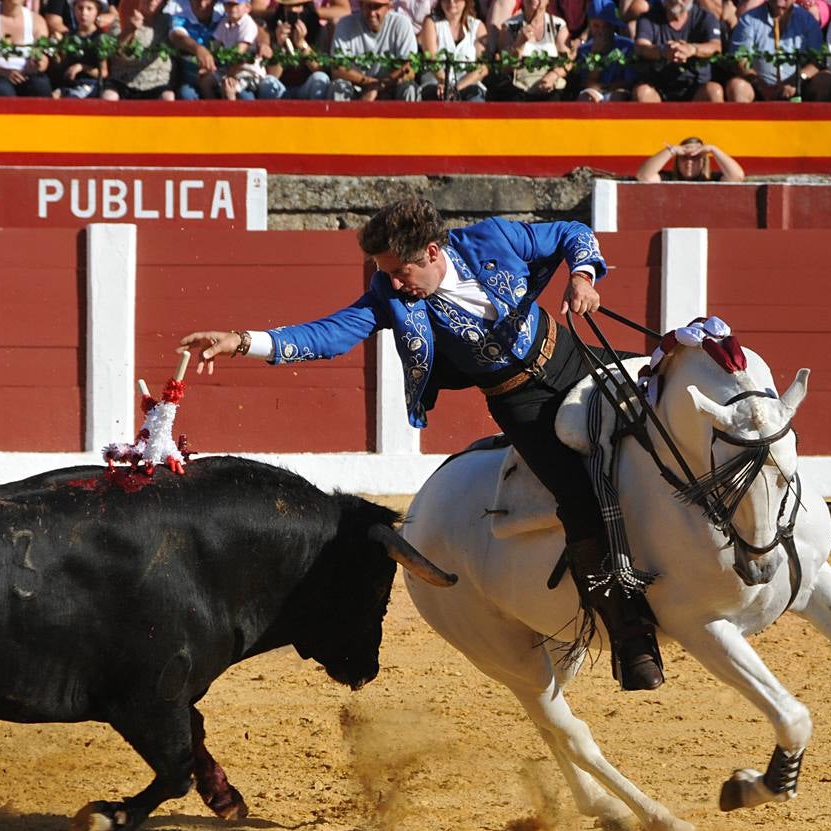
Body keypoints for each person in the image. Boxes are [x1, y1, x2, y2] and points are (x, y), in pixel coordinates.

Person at [176, 197, 667, 692]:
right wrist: (242, 341)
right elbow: (329, 334)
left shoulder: (492, 238)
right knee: (577, 499)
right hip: (522, 405)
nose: (391, 282)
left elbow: (570, 232)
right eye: (385, 272)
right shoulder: (392, 298)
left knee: (671, 404)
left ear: (433, 252)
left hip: (571, 355)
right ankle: (630, 637)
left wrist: (582, 276)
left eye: (398, 270)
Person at [725, 0, 831, 101]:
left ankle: (817, 120)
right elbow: (739, 58)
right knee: (737, 86)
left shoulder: (808, 20)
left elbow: (817, 59)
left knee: (825, 80)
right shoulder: (749, 19)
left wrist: (797, 81)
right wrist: (761, 85)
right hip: (758, 88)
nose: (780, 3)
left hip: (801, 85)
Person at [327, 0, 421, 100]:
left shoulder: (401, 24)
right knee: (338, 87)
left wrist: (380, 85)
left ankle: (408, 115)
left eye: (377, 7)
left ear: (389, 7)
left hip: (392, 87)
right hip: (355, 88)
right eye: (368, 6)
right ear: (360, 5)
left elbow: (409, 69)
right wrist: (369, 83)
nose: (372, 13)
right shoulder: (345, 24)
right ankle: (342, 115)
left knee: (409, 88)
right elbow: (337, 69)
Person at [633, 0, 725, 102]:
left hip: (697, 86)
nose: (677, 0)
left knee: (714, 90)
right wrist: (663, 51)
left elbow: (716, 46)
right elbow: (640, 47)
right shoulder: (648, 18)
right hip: (658, 86)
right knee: (642, 92)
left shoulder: (705, 17)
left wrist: (692, 49)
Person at [487, 0, 571, 101]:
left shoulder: (558, 25)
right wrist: (519, 44)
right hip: (519, 87)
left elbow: (567, 61)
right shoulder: (509, 26)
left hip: (551, 86)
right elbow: (506, 67)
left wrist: (553, 76)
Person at [101, 0, 176, 99]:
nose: (152, 1)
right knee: (109, 97)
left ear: (164, 3)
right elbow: (115, 51)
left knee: (168, 97)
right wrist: (129, 30)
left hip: (157, 82)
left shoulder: (168, 22)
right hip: (123, 81)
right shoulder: (121, 19)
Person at [257, 0, 332, 99]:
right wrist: (280, 46)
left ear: (306, 7)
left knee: (321, 78)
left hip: (306, 88)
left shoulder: (318, 30)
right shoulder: (273, 29)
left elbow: (319, 69)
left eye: (297, 6)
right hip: (281, 89)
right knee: (267, 83)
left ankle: (315, 113)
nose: (292, 10)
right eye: (288, 6)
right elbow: (272, 75)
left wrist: (302, 44)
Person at [418, 0, 489, 101]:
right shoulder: (431, 22)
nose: (451, 2)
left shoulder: (477, 27)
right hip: (436, 83)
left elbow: (482, 69)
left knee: (475, 99)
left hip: (468, 84)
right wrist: (445, 83)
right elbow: (431, 58)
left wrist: (457, 87)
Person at [203, 0, 265, 99]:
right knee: (205, 82)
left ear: (247, 7)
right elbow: (215, 47)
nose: (232, 8)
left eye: (236, 4)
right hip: (229, 67)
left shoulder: (248, 24)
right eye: (228, 4)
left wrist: (229, 75)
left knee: (228, 87)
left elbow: (239, 54)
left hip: (248, 71)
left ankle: (231, 112)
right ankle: (212, 111)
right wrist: (208, 67)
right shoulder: (224, 22)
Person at [573, 6, 637, 101]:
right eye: (596, 26)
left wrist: (605, 88)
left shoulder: (627, 47)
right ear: (589, 25)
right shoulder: (584, 50)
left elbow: (630, 81)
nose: (601, 31)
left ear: (614, 26)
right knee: (587, 98)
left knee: (618, 97)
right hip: (595, 91)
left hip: (618, 92)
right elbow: (586, 83)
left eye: (606, 26)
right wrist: (595, 54)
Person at [0, 0, 53, 96]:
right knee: (3, 91)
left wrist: (38, 63)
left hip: (27, 74)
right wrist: (4, 72)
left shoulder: (37, 20)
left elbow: (43, 58)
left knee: (41, 85)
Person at [168, 0, 223, 99]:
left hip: (222, 77)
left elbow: (247, 24)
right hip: (192, 81)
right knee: (186, 94)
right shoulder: (182, 18)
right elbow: (177, 37)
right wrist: (198, 49)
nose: (202, 4)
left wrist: (261, 37)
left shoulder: (223, 17)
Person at [53, 0, 108, 97]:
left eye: (89, 9)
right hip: (69, 84)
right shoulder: (69, 36)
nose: (84, 13)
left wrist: (82, 67)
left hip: (90, 85)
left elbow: (104, 73)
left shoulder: (101, 38)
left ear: (98, 12)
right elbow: (63, 65)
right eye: (80, 8)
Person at [636, 136, 745, 181]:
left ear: (703, 162)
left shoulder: (711, 179)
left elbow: (737, 177)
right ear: (677, 161)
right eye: (684, 158)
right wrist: (671, 151)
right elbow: (643, 176)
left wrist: (713, 149)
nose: (689, 163)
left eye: (695, 158)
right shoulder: (667, 178)